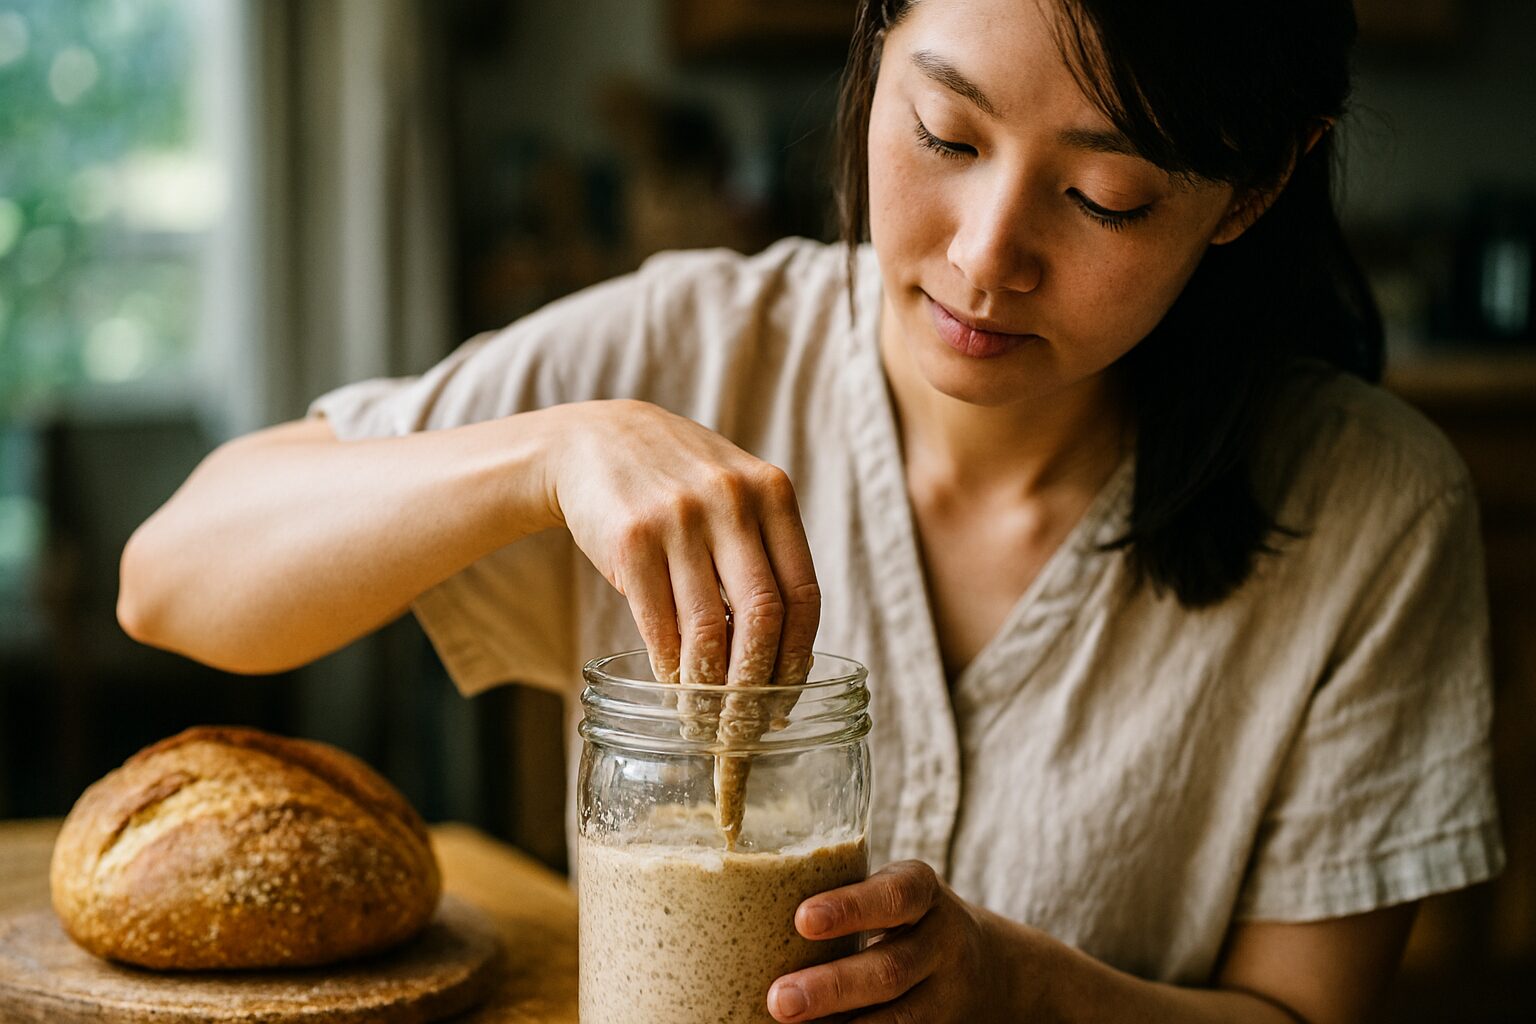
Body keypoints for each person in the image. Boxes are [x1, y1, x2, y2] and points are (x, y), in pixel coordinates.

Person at [118, 0, 1503, 1021]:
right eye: (944, 133)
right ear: (873, 49)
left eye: (1103, 197)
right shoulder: (684, 355)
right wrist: (541, 456)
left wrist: (1021, 993)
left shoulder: (1368, 510)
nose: (984, 256)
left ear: (1253, 187)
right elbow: (170, 576)